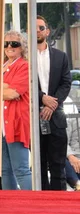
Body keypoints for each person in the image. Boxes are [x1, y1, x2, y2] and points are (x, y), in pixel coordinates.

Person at [37, 15, 72, 190]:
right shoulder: (25, 59)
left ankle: (60, 203)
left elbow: (66, 83)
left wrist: (52, 104)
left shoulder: (61, 56)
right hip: (33, 116)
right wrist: (41, 97)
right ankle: (40, 206)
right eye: (34, 28)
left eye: (41, 28)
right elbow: (23, 85)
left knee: (58, 164)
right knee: (39, 165)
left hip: (56, 117)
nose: (37, 31)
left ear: (47, 31)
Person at [1, 30, 32, 190]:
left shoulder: (25, 66)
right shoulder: (2, 65)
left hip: (16, 122)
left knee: (21, 169)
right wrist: (4, 88)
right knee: (5, 170)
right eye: (6, 43)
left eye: (14, 43)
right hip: (1, 126)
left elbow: (13, 93)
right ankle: (10, 204)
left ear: (22, 47)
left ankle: (32, 205)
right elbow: (5, 91)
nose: (9, 47)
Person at [63, 97, 80, 190]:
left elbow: (75, 140)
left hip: (74, 156)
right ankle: (77, 185)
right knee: (60, 159)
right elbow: (60, 141)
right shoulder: (68, 104)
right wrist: (71, 156)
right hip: (62, 154)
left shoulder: (71, 104)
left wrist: (77, 158)